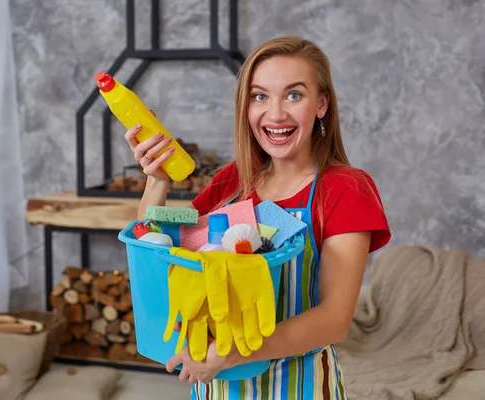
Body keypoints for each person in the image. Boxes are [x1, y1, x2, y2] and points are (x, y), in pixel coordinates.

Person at [123, 36, 391, 400]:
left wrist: (231, 353)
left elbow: (334, 320)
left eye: (294, 95)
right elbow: (155, 251)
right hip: (216, 389)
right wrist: (156, 181)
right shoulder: (232, 181)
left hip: (299, 389)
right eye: (260, 96)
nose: (276, 114)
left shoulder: (345, 189)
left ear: (321, 104)